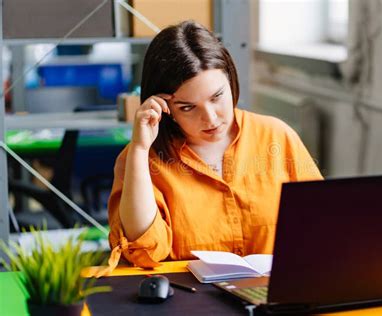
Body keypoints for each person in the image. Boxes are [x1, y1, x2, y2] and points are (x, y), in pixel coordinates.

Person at [103, 20, 323, 273]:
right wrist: (140, 151)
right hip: (191, 303)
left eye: (217, 97)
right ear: (165, 109)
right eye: (187, 107)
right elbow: (145, 251)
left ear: (230, 81)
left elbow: (321, 225)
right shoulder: (141, 159)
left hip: (274, 296)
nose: (210, 118)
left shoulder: (277, 137)